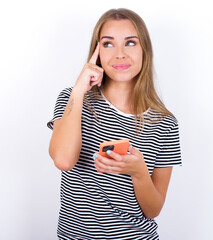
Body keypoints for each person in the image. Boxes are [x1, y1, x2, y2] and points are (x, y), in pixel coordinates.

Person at [47, 8, 182, 240]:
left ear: (144, 51)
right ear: (97, 52)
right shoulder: (72, 99)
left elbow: (153, 210)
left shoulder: (165, 123)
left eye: (130, 43)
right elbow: (63, 160)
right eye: (108, 44)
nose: (119, 54)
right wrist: (79, 89)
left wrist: (138, 172)